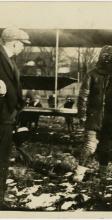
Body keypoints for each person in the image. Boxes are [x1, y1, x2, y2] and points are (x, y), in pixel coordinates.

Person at [77, 45, 112, 171]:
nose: (107, 59)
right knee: (90, 146)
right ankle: (79, 172)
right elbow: (83, 96)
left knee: (105, 147)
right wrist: (83, 115)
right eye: (104, 56)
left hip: (110, 120)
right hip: (93, 118)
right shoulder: (91, 75)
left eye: (110, 57)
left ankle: (102, 173)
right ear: (100, 57)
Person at [0, 27, 31, 209]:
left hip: (6, 119)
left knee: (3, 160)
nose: (23, 48)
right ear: (13, 42)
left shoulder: (9, 61)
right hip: (0, 118)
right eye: (22, 44)